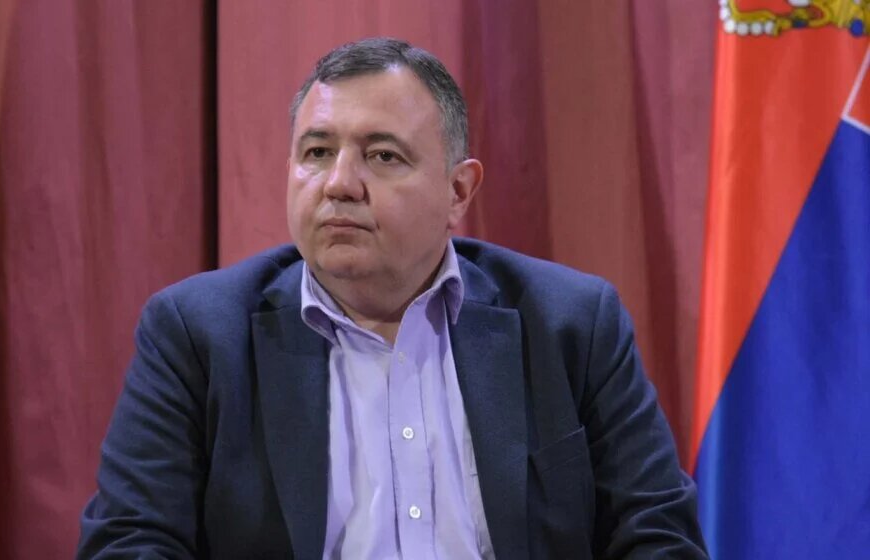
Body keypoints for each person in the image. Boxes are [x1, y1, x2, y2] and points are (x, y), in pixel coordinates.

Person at [78, 37, 707, 559]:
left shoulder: (572, 324)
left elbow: (657, 538)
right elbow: (130, 544)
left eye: (382, 155)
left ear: (458, 192)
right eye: (317, 152)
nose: (339, 183)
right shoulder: (196, 335)